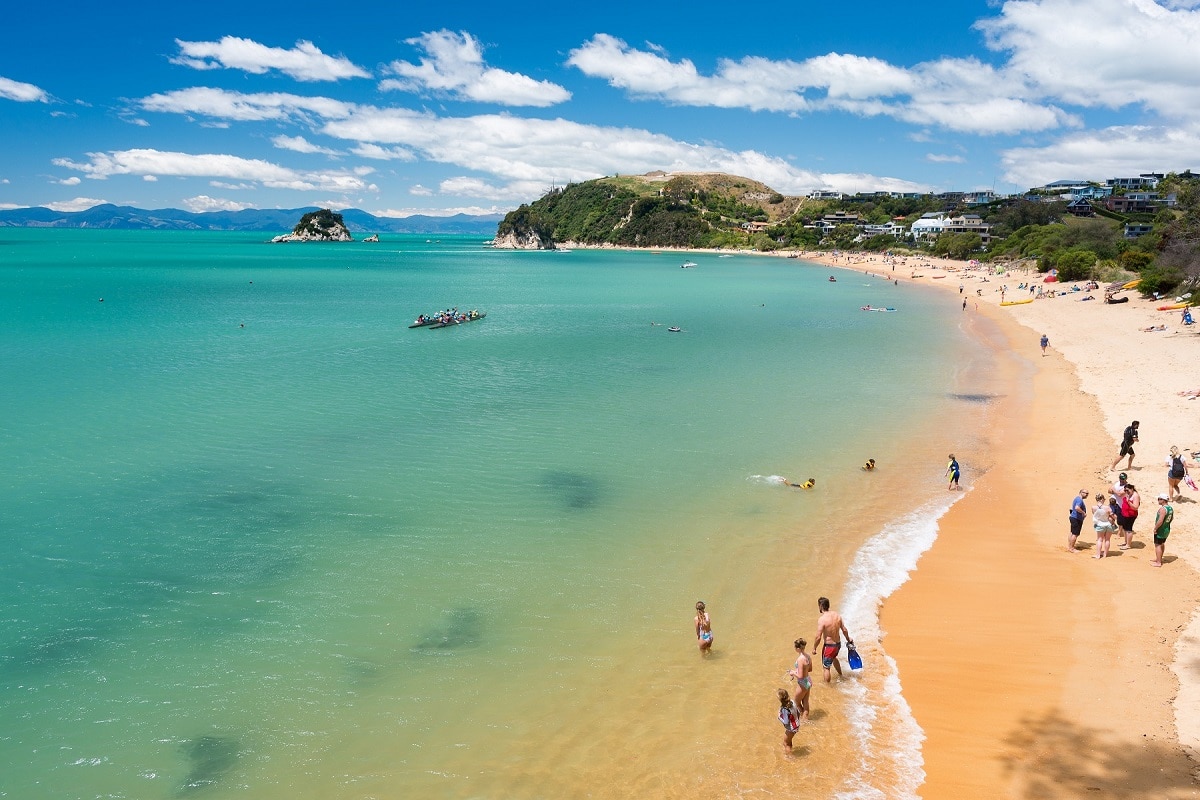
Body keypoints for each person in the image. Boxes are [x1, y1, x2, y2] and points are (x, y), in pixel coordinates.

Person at [813, 597, 853, 683]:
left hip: (829, 647)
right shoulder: (837, 615)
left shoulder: (822, 619)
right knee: (834, 658)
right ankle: (841, 675)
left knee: (826, 667)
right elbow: (844, 630)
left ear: (820, 606)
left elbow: (818, 637)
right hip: (838, 644)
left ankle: (827, 687)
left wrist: (814, 648)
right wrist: (848, 639)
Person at [787, 638, 812, 719]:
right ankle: (806, 719)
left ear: (798, 649)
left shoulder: (800, 659)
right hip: (808, 680)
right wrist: (797, 671)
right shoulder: (808, 656)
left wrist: (793, 673)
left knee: (796, 703)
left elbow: (800, 676)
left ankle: (803, 719)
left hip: (802, 682)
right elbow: (810, 669)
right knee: (805, 702)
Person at [1151, 494, 1175, 567]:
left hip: (1161, 529)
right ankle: (1159, 558)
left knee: (1157, 545)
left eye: (1159, 499)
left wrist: (1155, 528)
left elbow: (1160, 520)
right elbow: (1171, 518)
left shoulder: (1162, 509)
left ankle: (1158, 562)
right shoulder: (1170, 508)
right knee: (1162, 543)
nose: (1158, 500)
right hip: (1166, 528)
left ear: (1163, 500)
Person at [1092, 492, 1116, 559]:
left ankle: (1098, 555)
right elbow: (1113, 516)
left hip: (1100, 524)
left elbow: (1095, 516)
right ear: (1102, 499)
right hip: (1108, 524)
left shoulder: (1093, 507)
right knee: (1107, 540)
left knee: (1099, 540)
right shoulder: (1107, 507)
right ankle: (1105, 554)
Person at [1118, 483, 1140, 550]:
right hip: (1125, 513)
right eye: (1125, 490)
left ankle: (1128, 544)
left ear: (1132, 489)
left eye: (1127, 490)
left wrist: (1129, 502)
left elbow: (1136, 507)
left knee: (1128, 529)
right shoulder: (1127, 494)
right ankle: (1126, 542)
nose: (1126, 492)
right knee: (1125, 528)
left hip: (1131, 515)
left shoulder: (1135, 496)